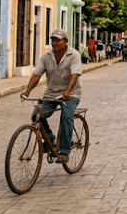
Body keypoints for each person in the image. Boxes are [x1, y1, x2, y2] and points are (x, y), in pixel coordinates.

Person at [22, 29, 82, 164]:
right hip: (51, 93)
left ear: (65, 42)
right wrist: (27, 92)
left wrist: (67, 91)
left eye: (58, 40)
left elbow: (75, 75)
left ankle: (64, 151)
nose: (54, 43)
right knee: (36, 115)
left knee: (66, 116)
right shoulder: (46, 56)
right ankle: (50, 138)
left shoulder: (74, 55)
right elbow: (37, 74)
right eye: (53, 40)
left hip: (71, 93)